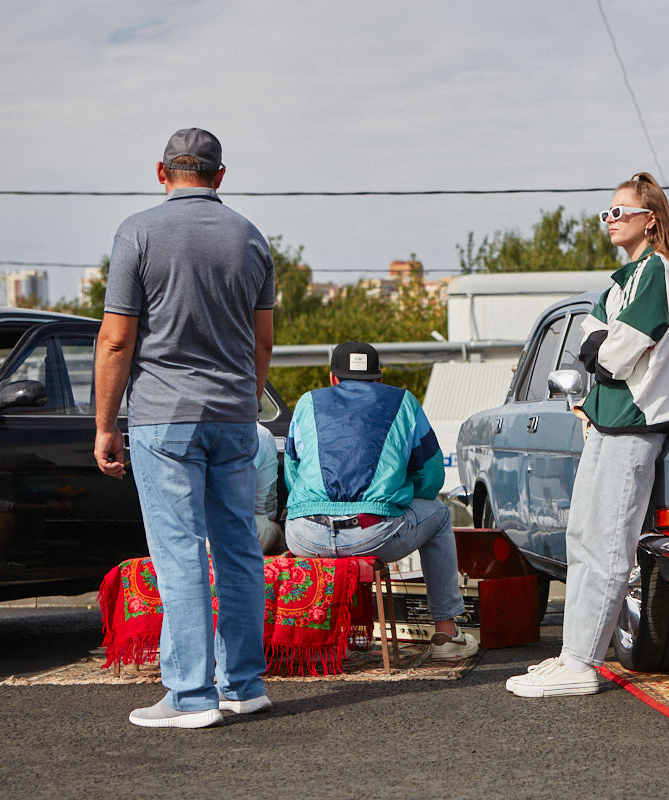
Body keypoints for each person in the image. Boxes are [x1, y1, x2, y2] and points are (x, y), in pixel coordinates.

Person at [94, 128, 275, 729]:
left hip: (163, 418)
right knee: (239, 549)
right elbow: (263, 339)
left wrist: (104, 425)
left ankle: (191, 698)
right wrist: (244, 403)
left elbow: (117, 338)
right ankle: (245, 686)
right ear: (220, 176)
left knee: (180, 554)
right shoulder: (250, 237)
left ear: (162, 171)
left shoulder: (138, 232)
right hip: (233, 416)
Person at [506, 172, 669, 698]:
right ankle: (572, 656)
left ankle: (584, 665)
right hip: (606, 423)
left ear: (650, 218)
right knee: (583, 540)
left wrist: (604, 350)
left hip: (633, 426)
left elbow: (613, 357)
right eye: (608, 212)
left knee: (609, 546)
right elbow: (592, 338)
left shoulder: (657, 273)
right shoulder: (623, 279)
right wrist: (603, 348)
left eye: (620, 210)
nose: (610, 220)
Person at [282, 341, 477, 662]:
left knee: (306, 520)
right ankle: (447, 634)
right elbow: (431, 480)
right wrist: (396, 491)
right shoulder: (403, 401)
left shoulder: (307, 402)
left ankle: (324, 638)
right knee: (441, 514)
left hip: (306, 534)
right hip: (371, 533)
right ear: (380, 378)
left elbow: (293, 476)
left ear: (332, 378)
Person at [254, 424, 284, 555]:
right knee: (274, 529)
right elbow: (264, 510)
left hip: (189, 532)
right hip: (233, 532)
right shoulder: (261, 434)